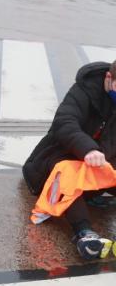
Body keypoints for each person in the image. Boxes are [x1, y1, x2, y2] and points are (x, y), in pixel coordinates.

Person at [23, 61, 116, 260]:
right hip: (59, 156)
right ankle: (85, 234)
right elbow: (64, 122)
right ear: (109, 78)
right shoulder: (84, 89)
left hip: (100, 162)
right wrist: (88, 148)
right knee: (68, 174)